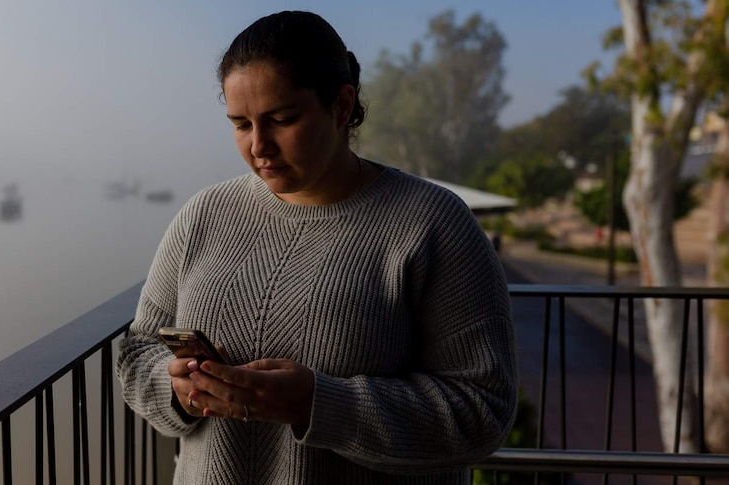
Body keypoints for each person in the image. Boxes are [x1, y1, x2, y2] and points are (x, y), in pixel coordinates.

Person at [117, 10, 517, 485]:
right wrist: (176, 386)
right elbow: (138, 352)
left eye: (282, 119)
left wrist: (317, 404)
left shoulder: (433, 223)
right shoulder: (204, 214)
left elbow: (482, 410)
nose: (259, 146)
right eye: (241, 124)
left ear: (342, 105)